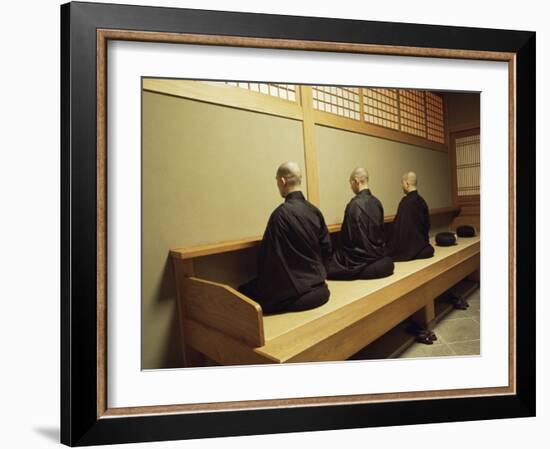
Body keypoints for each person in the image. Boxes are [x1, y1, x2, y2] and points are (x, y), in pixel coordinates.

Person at [238, 161, 332, 314]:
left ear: (282, 181)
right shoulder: (314, 211)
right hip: (319, 286)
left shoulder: (279, 215)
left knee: (243, 292)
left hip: (295, 290)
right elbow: (327, 249)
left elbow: (268, 260)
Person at [326, 168, 394, 280]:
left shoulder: (353, 205)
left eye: (351, 183)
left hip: (359, 257)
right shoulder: (377, 202)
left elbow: (347, 238)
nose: (351, 187)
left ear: (356, 181)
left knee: (330, 264)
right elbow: (381, 232)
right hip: (378, 253)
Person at [387, 171, 435, 261]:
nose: (402, 186)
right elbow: (427, 225)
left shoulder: (405, 202)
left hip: (407, 247)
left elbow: (398, 227)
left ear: (407, 183)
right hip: (421, 246)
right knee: (429, 250)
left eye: (402, 183)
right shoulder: (422, 201)